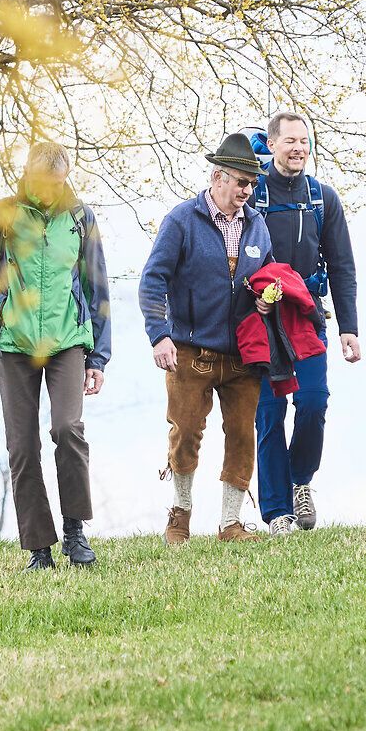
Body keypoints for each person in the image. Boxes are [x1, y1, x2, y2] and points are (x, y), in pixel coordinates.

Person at [0, 143, 112, 570]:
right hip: (13, 346)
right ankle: (39, 549)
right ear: (26, 175)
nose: (48, 192)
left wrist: (98, 358)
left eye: (57, 184)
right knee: (22, 446)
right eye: (42, 183)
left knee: (67, 428)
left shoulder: (81, 218)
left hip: (66, 341)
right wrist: (0, 307)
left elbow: (97, 289)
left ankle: (74, 533)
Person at [139, 132, 274, 545]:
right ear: (218, 177)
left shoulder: (257, 225)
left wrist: (267, 298)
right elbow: (152, 280)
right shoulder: (182, 220)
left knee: (242, 435)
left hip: (243, 354)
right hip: (190, 350)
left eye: (252, 184)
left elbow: (267, 274)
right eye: (241, 182)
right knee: (185, 432)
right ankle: (180, 515)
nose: (247, 191)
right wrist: (159, 335)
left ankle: (231, 523)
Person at [248, 112, 361, 534]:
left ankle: (300, 481)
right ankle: (277, 512)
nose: (298, 149)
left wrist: (349, 327)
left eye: (304, 142)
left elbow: (342, 264)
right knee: (269, 411)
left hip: (308, 315)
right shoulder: (253, 195)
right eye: (290, 141)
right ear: (272, 144)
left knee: (313, 402)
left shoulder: (322, 198)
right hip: (261, 318)